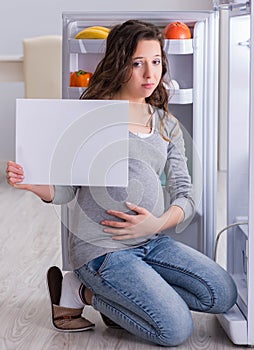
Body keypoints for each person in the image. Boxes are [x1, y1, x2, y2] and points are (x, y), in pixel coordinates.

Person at [6, 19, 237, 346]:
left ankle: (126, 296)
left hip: (153, 242)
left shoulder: (165, 123)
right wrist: (32, 183)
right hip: (103, 251)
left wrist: (156, 223)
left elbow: (186, 195)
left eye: (155, 62)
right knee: (175, 330)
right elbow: (67, 190)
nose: (149, 74)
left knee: (222, 292)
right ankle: (82, 290)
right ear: (119, 63)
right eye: (137, 63)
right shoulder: (92, 117)